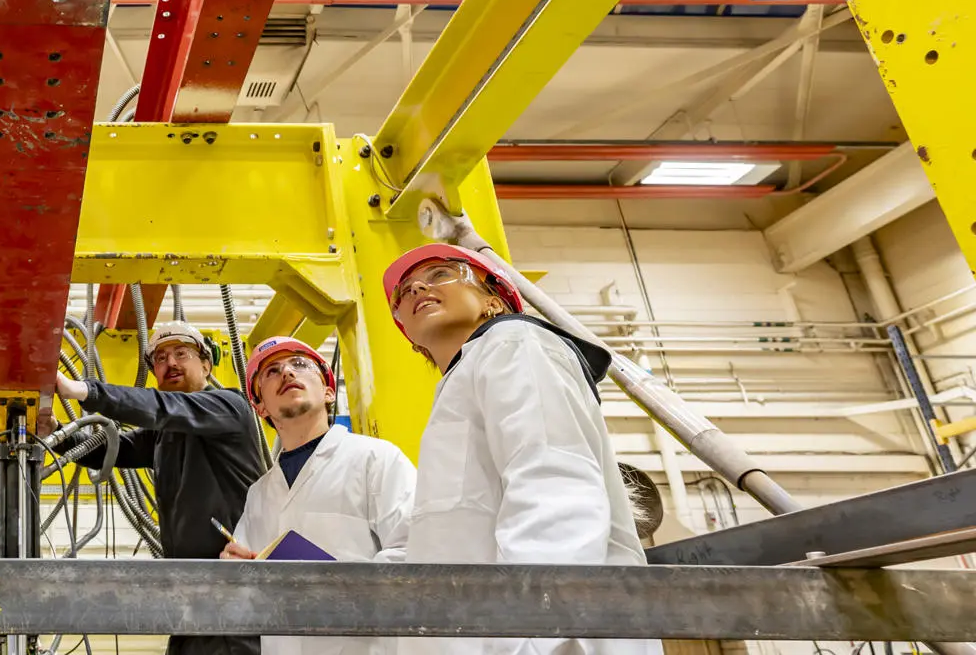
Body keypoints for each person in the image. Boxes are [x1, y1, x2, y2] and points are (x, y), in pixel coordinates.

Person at [384, 243, 656, 655]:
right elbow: (430, 544)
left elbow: (553, 488)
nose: (417, 287)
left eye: (440, 274)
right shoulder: (463, 383)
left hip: (541, 638)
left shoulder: (513, 342)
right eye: (404, 293)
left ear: (493, 301)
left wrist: (535, 633)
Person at [52, 321, 266, 655]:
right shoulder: (164, 432)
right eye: (161, 358)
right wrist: (55, 431)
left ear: (207, 365)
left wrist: (85, 392)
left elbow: (165, 408)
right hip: (189, 595)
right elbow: (112, 449)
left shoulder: (229, 407)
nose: (172, 364)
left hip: (235, 590)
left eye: (182, 353)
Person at [219, 336, 415, 655]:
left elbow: (414, 549)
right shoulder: (259, 494)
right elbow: (247, 593)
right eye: (271, 371)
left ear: (328, 391)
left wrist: (333, 589)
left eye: (300, 364)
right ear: (260, 406)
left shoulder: (376, 459)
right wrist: (235, 567)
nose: (287, 372)